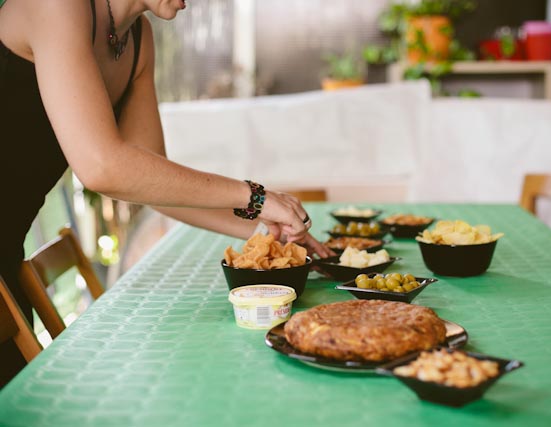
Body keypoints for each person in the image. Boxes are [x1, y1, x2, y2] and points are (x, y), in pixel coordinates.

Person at [0, 0, 332, 386]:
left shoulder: (138, 40)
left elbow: (154, 189)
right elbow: (102, 166)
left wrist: (268, 233)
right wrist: (254, 196)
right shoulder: (57, 7)